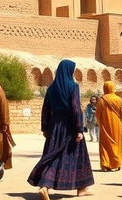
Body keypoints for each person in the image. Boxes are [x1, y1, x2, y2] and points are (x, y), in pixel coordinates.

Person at [27, 59, 94, 199]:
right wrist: (79, 128)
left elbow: (45, 108)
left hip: (54, 126)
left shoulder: (51, 88)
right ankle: (80, 189)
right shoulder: (73, 86)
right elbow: (75, 108)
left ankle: (45, 186)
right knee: (78, 156)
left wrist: (45, 127)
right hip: (70, 126)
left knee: (52, 154)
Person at [95, 81, 122, 171]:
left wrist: (100, 122)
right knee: (117, 143)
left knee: (105, 144)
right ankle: (117, 162)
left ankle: (106, 164)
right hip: (117, 125)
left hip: (105, 125)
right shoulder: (118, 99)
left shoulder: (102, 99)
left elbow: (97, 114)